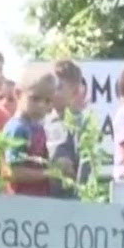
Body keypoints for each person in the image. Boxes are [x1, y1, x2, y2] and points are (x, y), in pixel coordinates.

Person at [2, 68, 63, 197]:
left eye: (47, 101)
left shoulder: (38, 127)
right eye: (35, 99)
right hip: (20, 201)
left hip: (38, 200)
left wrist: (58, 166)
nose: (41, 105)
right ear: (18, 94)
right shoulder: (17, 128)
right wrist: (49, 173)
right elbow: (12, 172)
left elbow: (38, 163)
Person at [44, 59, 91, 195]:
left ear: (75, 91)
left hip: (70, 199)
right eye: (49, 86)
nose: (51, 92)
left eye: (58, 87)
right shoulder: (43, 120)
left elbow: (85, 163)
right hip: (45, 198)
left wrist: (81, 193)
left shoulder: (80, 123)